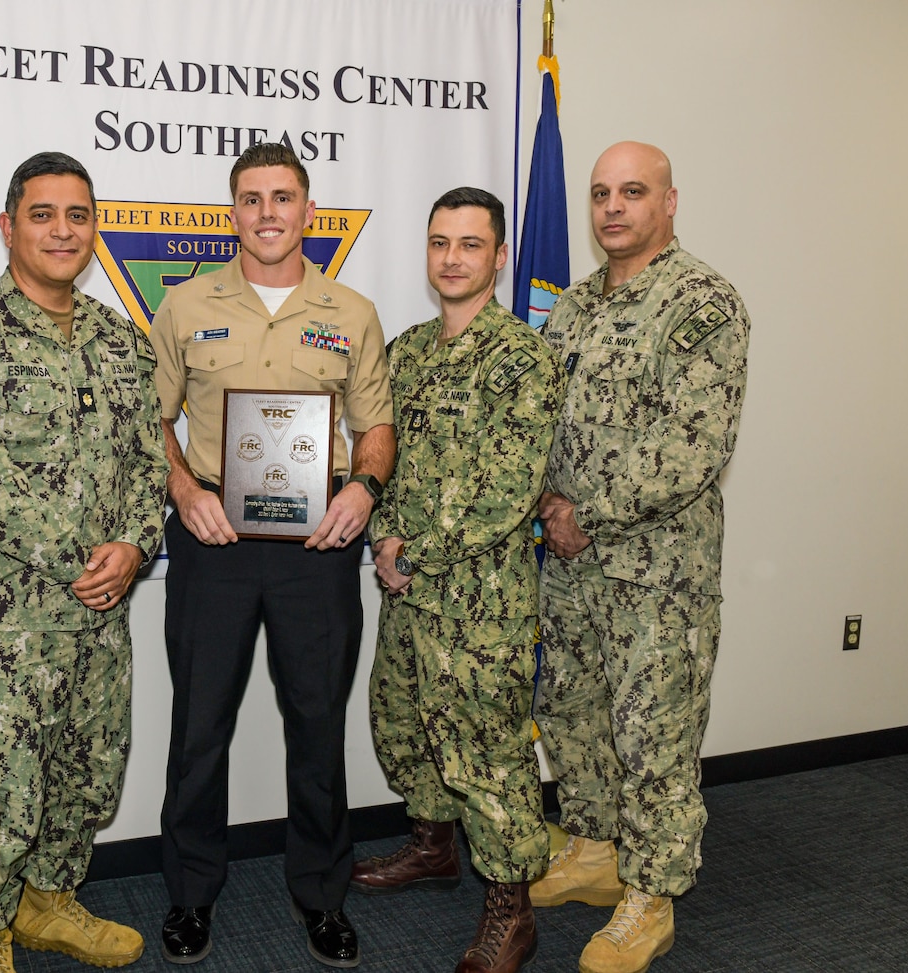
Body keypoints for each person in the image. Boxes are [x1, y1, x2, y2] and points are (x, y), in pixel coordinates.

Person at [0, 151, 168, 973]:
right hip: (0, 627)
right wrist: (85, 556)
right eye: (44, 214)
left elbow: (147, 461)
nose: (63, 230)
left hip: (97, 619)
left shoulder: (120, 342)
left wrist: (132, 543)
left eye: (78, 215)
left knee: (87, 774)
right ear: (8, 226)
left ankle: (49, 899)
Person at [150, 142, 395, 969]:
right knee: (199, 727)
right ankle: (189, 895)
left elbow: (379, 426)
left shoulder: (352, 311)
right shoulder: (184, 306)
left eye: (282, 197)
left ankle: (322, 896)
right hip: (212, 538)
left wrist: (362, 489)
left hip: (317, 542)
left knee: (318, 727)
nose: (267, 213)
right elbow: (152, 423)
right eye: (251, 198)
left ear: (307, 211)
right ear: (232, 213)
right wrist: (184, 490)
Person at [530, 142, 750, 973]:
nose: (612, 206)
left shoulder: (702, 303)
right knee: (574, 709)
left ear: (669, 201)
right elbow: (548, 423)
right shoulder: (575, 308)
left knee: (654, 730)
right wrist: (550, 505)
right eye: (599, 193)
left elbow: (694, 446)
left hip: (657, 573)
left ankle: (652, 893)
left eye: (631, 191)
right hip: (574, 566)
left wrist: (586, 509)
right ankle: (593, 848)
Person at [353, 188, 565, 973]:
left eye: (470, 244)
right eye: (440, 243)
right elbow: (376, 457)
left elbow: (510, 490)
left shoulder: (525, 359)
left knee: (488, 752)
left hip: (481, 601)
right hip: (407, 591)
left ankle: (512, 910)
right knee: (403, 724)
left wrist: (413, 553)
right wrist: (380, 536)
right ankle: (433, 846)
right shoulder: (406, 351)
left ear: (500, 256)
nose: (452, 258)